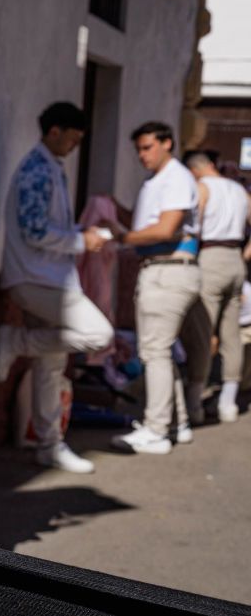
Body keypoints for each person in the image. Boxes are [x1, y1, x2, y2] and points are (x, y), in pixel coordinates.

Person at [0, 102, 114, 474]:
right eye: (72, 140)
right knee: (99, 334)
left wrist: (80, 238)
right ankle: (15, 341)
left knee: (51, 363)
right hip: (37, 278)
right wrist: (82, 241)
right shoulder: (36, 170)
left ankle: (49, 444)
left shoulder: (49, 168)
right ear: (54, 131)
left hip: (47, 277)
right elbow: (34, 230)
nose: (73, 147)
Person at [108, 122, 200, 454]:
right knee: (160, 351)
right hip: (162, 269)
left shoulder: (175, 177)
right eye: (139, 149)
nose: (142, 155)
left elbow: (165, 229)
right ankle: (176, 423)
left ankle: (156, 429)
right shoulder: (160, 180)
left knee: (156, 352)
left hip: (169, 269)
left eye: (147, 147)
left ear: (167, 144)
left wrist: (121, 237)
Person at [184, 150, 249, 423]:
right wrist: (245, 253)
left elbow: (192, 228)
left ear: (195, 170)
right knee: (231, 333)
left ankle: (194, 402)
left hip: (210, 257)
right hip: (235, 259)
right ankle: (227, 401)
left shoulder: (202, 188)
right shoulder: (238, 189)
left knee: (203, 331)